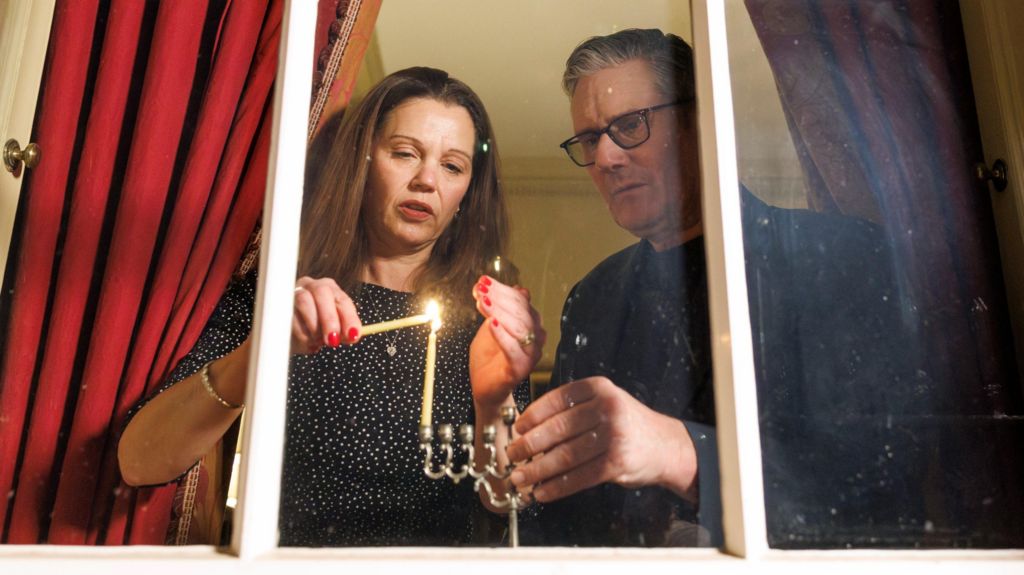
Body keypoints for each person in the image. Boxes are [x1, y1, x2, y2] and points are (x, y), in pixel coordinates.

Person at [509, 28, 937, 549]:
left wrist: (684, 454)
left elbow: (887, 467)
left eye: (630, 125)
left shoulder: (841, 256)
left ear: (702, 122)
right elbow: (561, 509)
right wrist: (498, 402)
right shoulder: (592, 297)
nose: (605, 158)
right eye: (589, 139)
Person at [118, 67, 545, 547]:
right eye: (405, 153)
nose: (426, 180)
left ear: (468, 191)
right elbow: (139, 462)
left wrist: (494, 399)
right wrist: (261, 350)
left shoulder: (485, 321)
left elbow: (511, 501)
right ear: (363, 161)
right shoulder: (286, 296)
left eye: (452, 166)